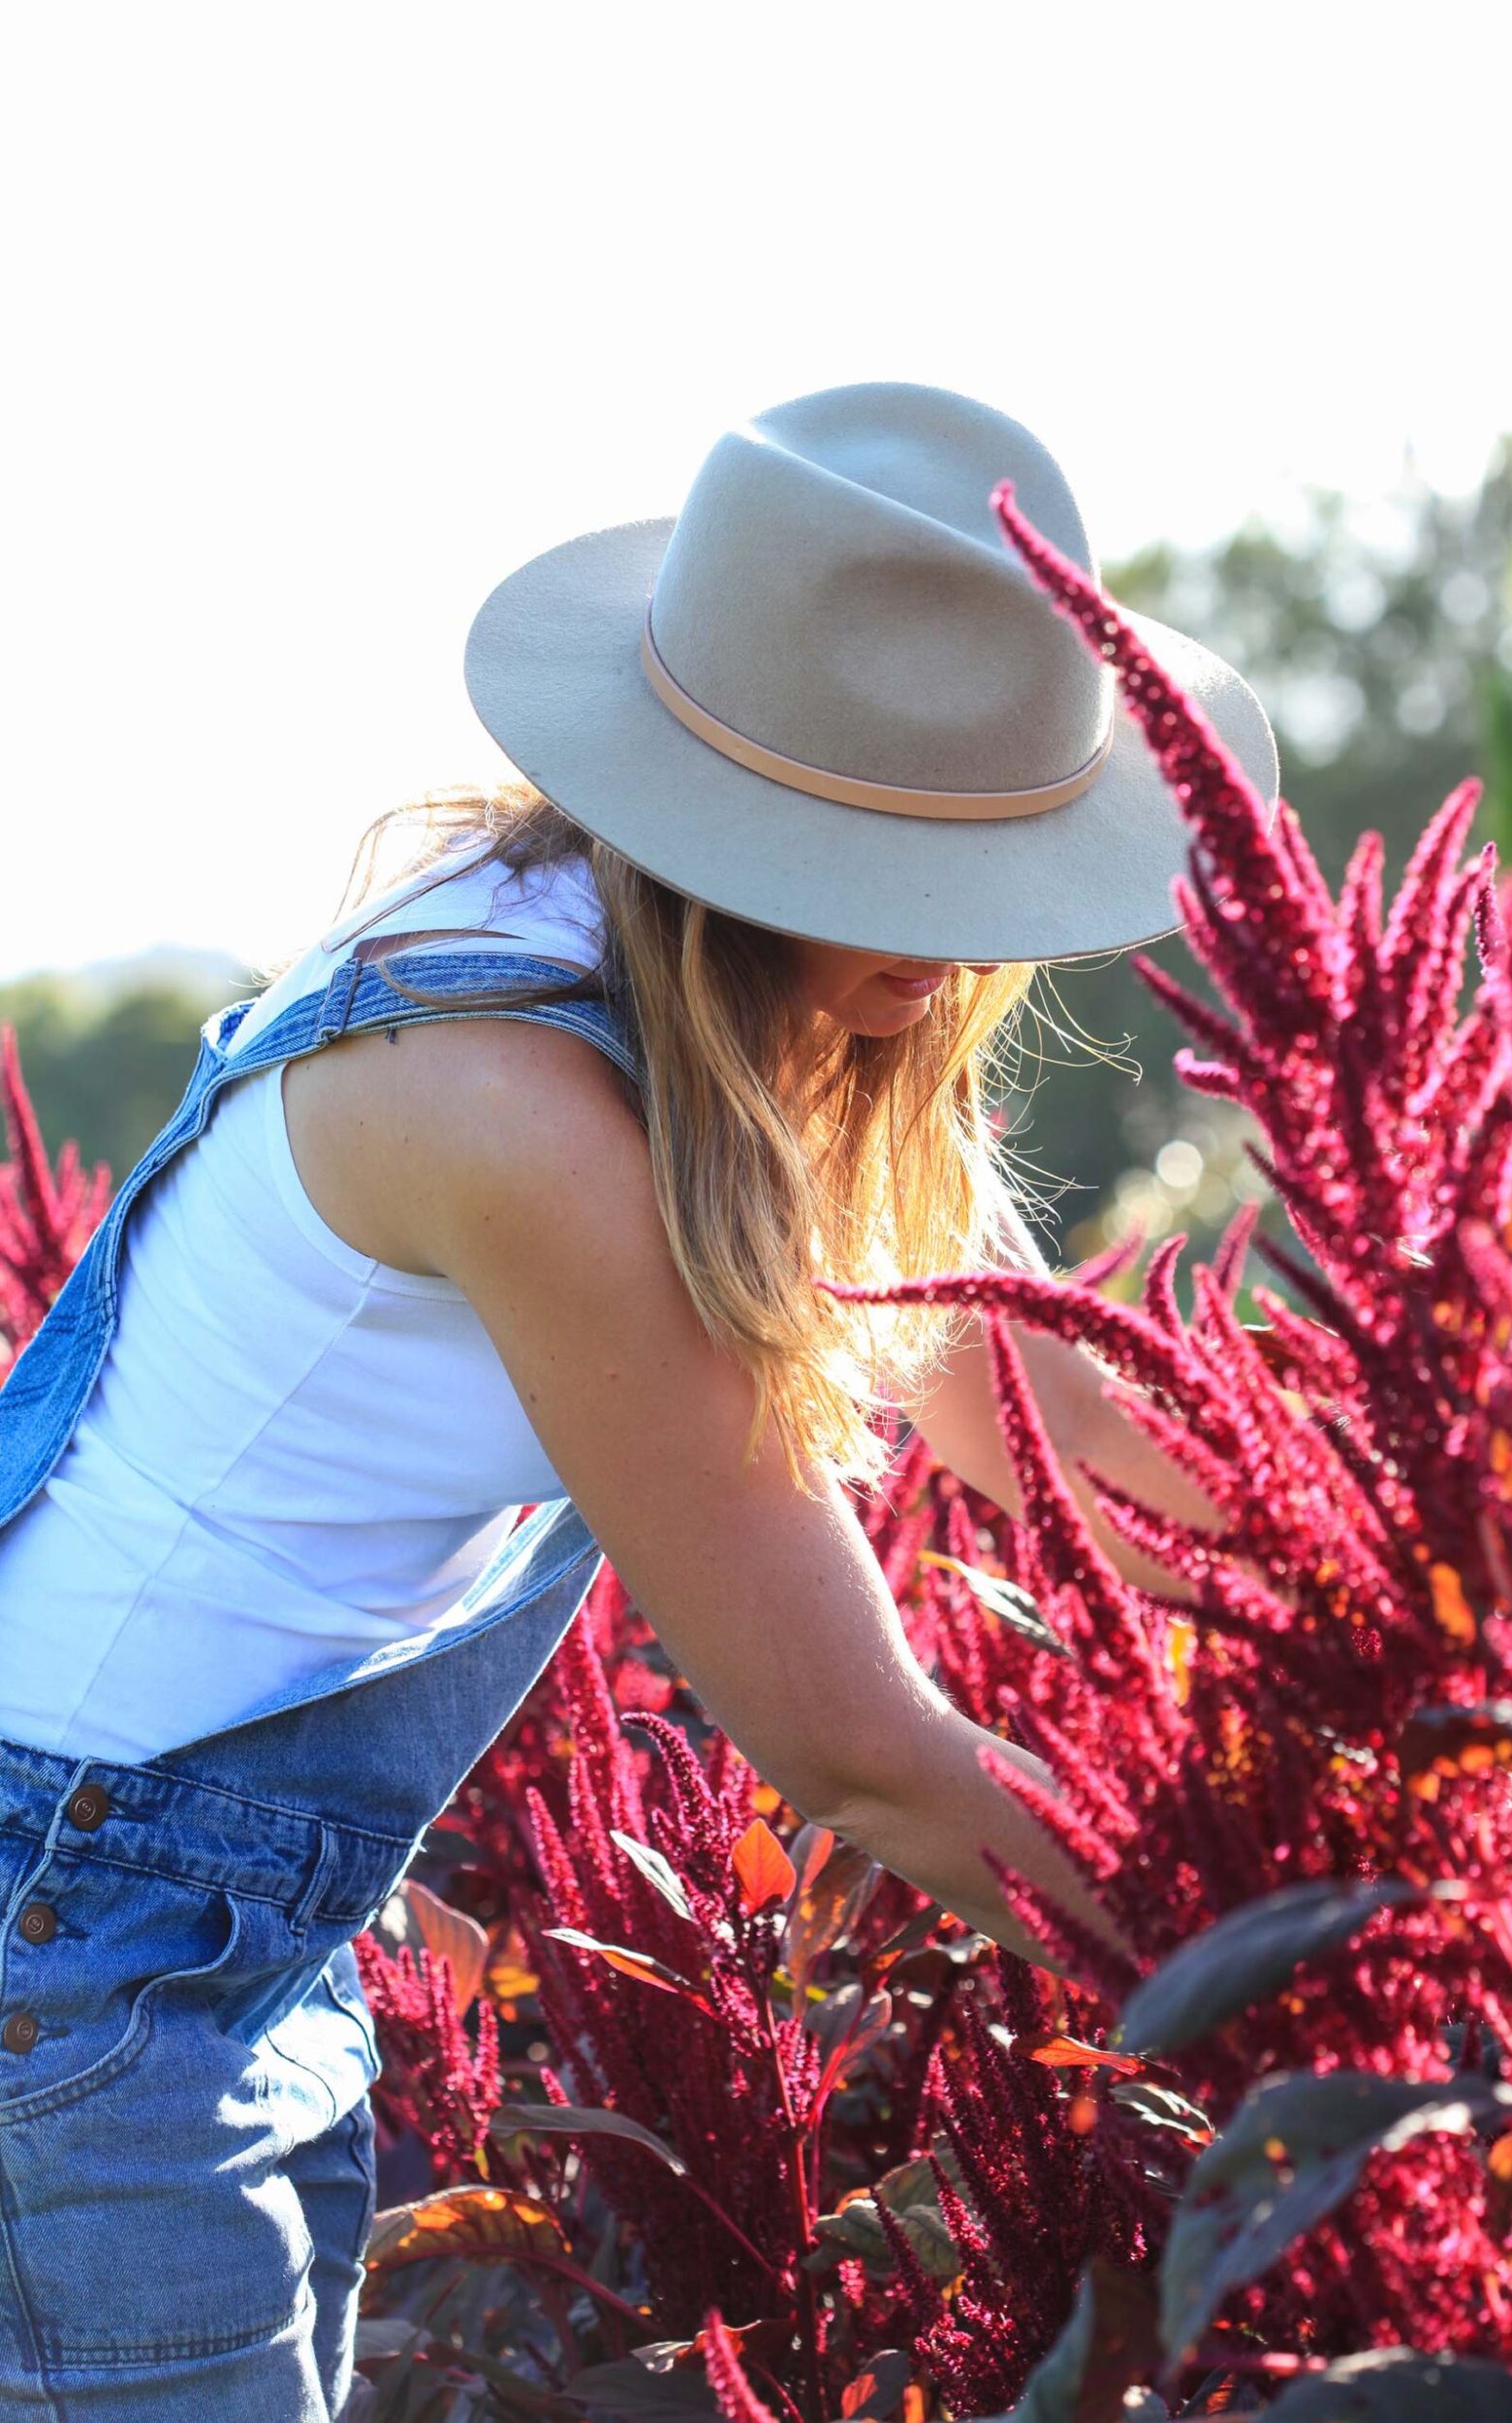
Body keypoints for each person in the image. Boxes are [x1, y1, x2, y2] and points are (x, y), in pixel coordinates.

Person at [0, 380, 1277, 2416]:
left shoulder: (668, 990)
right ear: (737, 829)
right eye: (899, 869)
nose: (957, 969)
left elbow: (1033, 1400)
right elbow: (859, 1752)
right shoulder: (518, 1103)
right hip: (75, 1944)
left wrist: (1398, 1572)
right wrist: (1292, 1966)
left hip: (188, 1923)